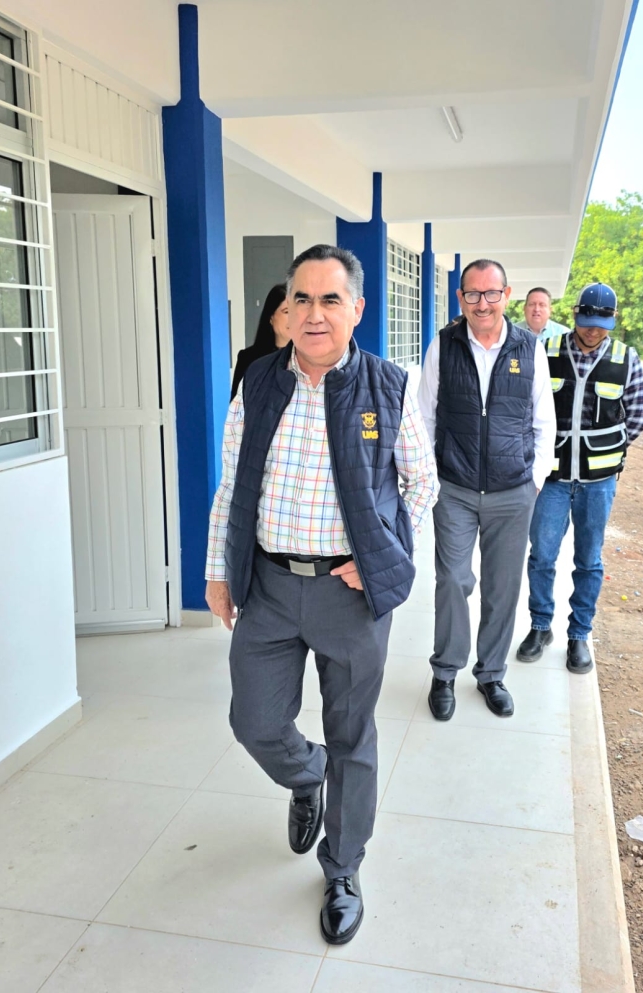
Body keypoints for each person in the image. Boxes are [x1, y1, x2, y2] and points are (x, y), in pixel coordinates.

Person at [205, 244, 438, 945]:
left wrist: (381, 556)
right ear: (285, 309)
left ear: (356, 309)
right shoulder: (258, 382)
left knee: (352, 735)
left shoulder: (388, 386)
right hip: (270, 585)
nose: (313, 313)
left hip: (349, 595)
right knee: (254, 721)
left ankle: (342, 868)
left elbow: (420, 483)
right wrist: (218, 572)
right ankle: (308, 776)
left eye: (329, 299)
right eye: (300, 299)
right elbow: (231, 485)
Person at [418, 259, 556, 721]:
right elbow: (424, 417)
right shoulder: (443, 345)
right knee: (453, 581)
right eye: (473, 294)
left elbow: (544, 422)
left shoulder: (529, 349)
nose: (482, 304)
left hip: (512, 492)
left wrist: (533, 483)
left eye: (491, 293)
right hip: (454, 488)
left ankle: (491, 674)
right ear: (460, 298)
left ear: (506, 295)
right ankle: (445, 672)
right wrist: (431, 478)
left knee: (502, 587)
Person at [517, 282, 643, 672]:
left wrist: (601, 451)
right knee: (542, 556)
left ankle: (579, 634)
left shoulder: (626, 358)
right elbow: (526, 409)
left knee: (589, 560)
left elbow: (637, 417)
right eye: (587, 322)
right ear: (574, 315)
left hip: (599, 482)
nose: (592, 331)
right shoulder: (547, 352)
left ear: (613, 321)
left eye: (601, 325)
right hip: (552, 479)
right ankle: (541, 626)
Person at [230, 283, 289, 400]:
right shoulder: (249, 358)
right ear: (271, 317)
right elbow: (237, 405)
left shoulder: (308, 359)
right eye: (286, 312)